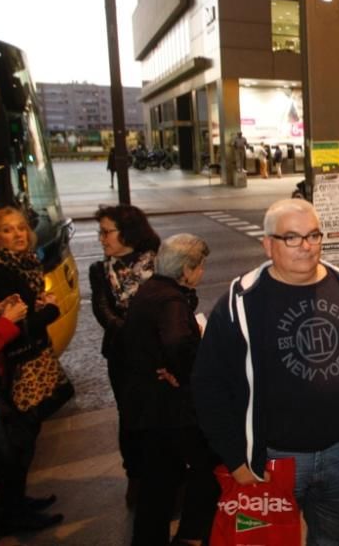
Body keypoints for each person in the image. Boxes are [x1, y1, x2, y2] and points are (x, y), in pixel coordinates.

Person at [192, 199, 339, 546]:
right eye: (291, 237)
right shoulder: (241, 301)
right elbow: (208, 388)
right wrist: (237, 460)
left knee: (333, 537)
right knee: (270, 540)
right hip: (272, 461)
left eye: (313, 235)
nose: (306, 246)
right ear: (268, 244)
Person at [122, 234, 219, 546]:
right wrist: (186, 371)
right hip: (171, 409)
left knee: (158, 482)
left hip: (148, 407)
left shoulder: (150, 290)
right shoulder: (171, 300)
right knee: (209, 467)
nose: (202, 272)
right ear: (187, 269)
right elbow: (178, 342)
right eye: (201, 266)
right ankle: (191, 535)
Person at [0, 208, 63, 534]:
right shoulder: (0, 272)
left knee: (24, 439)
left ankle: (16, 503)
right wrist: (50, 311)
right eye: (7, 230)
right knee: (18, 442)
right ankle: (12, 512)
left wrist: (39, 305)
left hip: (32, 362)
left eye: (21, 228)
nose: (18, 234)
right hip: (20, 370)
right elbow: (17, 326)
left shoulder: (25, 262)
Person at [88, 205, 161, 504]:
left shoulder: (160, 263)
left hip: (159, 354)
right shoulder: (100, 270)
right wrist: (133, 333)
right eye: (100, 232)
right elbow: (102, 311)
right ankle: (136, 476)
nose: (101, 238)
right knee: (130, 418)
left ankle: (165, 475)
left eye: (107, 231)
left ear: (129, 232)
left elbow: (180, 300)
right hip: (123, 355)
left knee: (161, 417)